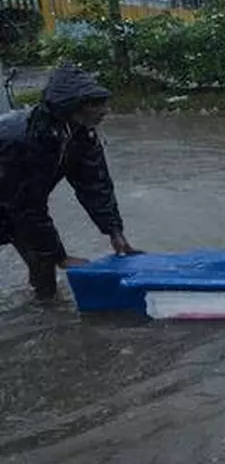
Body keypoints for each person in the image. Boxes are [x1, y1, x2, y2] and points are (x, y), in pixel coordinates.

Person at [0, 64, 137, 299]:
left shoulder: (82, 134)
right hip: (11, 199)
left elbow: (96, 185)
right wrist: (61, 256)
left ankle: (45, 312)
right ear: (72, 106)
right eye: (95, 104)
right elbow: (27, 207)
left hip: (17, 205)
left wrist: (114, 231)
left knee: (44, 266)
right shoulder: (22, 139)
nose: (105, 110)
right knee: (44, 250)